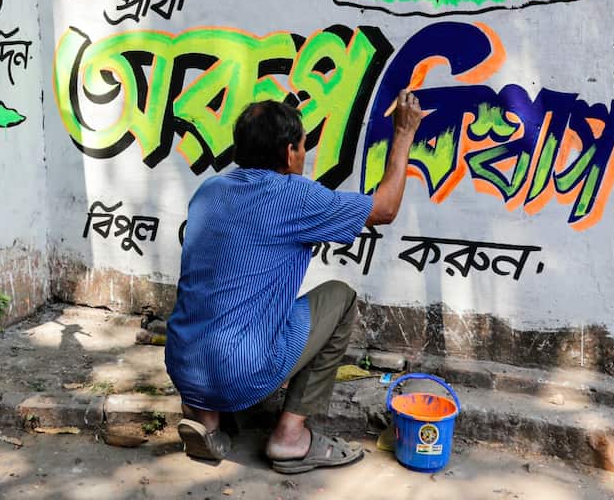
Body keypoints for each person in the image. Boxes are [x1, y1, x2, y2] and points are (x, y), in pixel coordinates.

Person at [165, 92, 424, 473]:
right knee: (340, 298)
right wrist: (403, 135)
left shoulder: (209, 191)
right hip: (240, 372)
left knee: (227, 311)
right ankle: (290, 436)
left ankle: (206, 421)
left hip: (183, 365)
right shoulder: (294, 197)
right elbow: (384, 208)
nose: (305, 155)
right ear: (289, 153)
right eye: (303, 147)